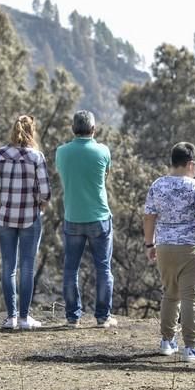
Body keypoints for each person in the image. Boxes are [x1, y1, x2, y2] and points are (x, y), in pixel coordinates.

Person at [143, 142, 195, 362]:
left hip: (164, 247)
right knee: (191, 297)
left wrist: (150, 244)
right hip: (191, 248)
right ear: (191, 164)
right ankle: (191, 347)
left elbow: (149, 217)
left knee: (169, 293)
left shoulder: (157, 185)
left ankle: (167, 341)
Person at [0, 115, 51, 330]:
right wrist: (39, 201)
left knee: (8, 267)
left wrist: (2, 195)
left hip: (4, 218)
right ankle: (24, 318)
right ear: (33, 131)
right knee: (27, 268)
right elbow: (46, 192)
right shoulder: (36, 157)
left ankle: (10, 318)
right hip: (30, 218)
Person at [55, 110, 116, 328]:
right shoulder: (103, 151)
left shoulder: (61, 152)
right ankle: (102, 317)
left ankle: (73, 317)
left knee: (71, 268)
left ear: (73, 129)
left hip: (73, 217)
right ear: (94, 129)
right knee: (103, 267)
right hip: (99, 217)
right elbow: (106, 176)